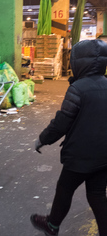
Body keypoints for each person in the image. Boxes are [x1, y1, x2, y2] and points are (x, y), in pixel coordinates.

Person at [30, 39, 107, 236]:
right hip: (103, 154)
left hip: (80, 155)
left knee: (65, 189)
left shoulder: (78, 89)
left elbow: (62, 122)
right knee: (97, 195)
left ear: (79, 62)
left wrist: (42, 139)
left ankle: (52, 225)